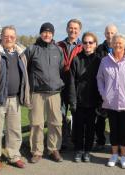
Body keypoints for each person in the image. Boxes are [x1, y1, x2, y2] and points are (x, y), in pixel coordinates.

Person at [97, 34, 125, 169]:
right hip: (110, 102)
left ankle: (123, 157)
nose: (117, 45)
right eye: (115, 43)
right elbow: (100, 79)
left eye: (120, 43)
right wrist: (104, 94)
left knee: (124, 131)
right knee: (114, 130)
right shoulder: (105, 61)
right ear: (111, 44)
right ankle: (114, 155)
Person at [0, 25, 31, 171]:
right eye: (6, 36)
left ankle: (14, 156)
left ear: (16, 38)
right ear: (1, 36)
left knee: (14, 130)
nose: (9, 39)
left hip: (15, 98)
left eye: (12, 37)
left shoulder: (21, 53)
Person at [26, 22, 64, 163]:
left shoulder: (58, 50)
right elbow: (25, 68)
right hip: (37, 93)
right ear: (40, 33)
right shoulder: (32, 49)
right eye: (44, 32)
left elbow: (60, 68)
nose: (47, 34)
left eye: (49, 32)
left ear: (53, 34)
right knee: (36, 123)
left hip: (54, 93)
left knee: (55, 122)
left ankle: (54, 149)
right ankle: (37, 151)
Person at [68, 32, 101, 162]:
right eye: (85, 42)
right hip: (79, 100)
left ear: (95, 44)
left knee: (91, 128)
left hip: (93, 101)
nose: (88, 45)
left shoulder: (99, 60)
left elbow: (102, 82)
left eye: (90, 42)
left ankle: (87, 150)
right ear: (82, 44)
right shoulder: (76, 59)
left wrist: (100, 101)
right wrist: (73, 101)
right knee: (78, 128)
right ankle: (78, 150)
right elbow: (71, 82)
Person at [57, 19, 83, 150]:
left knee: (77, 115)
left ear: (79, 31)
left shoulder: (83, 47)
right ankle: (63, 141)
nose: (73, 30)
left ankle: (77, 140)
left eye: (76, 28)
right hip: (61, 85)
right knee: (61, 115)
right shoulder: (58, 45)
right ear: (67, 29)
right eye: (71, 28)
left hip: (76, 87)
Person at [94, 24, 118, 151]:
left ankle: (116, 143)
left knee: (115, 120)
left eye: (112, 33)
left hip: (117, 90)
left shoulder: (120, 48)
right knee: (101, 118)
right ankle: (101, 141)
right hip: (103, 88)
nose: (110, 35)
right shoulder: (99, 49)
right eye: (108, 33)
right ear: (105, 34)